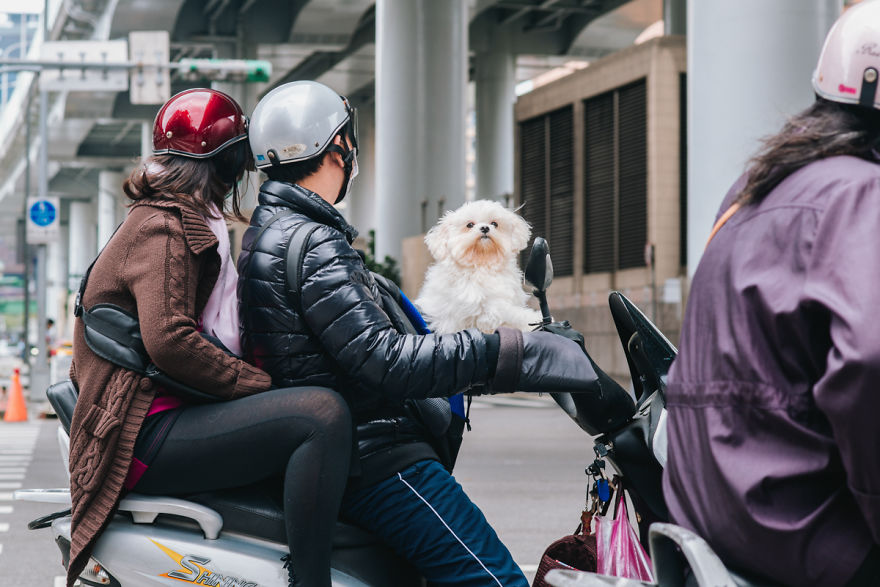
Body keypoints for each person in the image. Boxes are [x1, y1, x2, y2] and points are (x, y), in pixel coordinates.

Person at [238, 80, 610, 586]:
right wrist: (507, 351)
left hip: (348, 446)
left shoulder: (273, 230)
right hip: (379, 457)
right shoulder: (313, 241)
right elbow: (386, 361)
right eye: (347, 140)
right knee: (496, 579)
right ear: (335, 149)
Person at [67, 88, 351, 587]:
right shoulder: (166, 226)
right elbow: (170, 340)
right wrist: (264, 386)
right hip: (141, 434)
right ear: (230, 158)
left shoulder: (185, 216)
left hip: (167, 417)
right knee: (320, 416)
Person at [663, 4, 880, 586]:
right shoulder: (859, 192)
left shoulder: (754, 189)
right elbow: (869, 359)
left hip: (719, 510)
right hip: (800, 523)